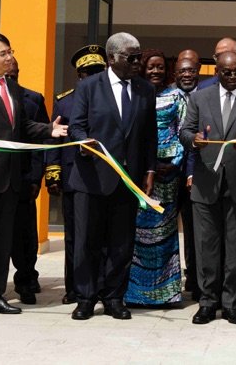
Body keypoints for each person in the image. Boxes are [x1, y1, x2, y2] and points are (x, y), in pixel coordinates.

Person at [0, 32, 68, 319]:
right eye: (3, 53)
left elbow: (22, 127)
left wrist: (49, 130)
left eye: (10, 52)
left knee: (2, 241)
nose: (9, 58)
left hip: (10, 179)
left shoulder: (12, 88)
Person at [66, 32, 158, 321]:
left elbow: (149, 136)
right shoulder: (89, 87)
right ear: (112, 58)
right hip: (92, 178)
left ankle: (114, 297)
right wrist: (84, 143)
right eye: (131, 57)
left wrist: (150, 170)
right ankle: (85, 298)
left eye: (138, 56)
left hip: (128, 180)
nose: (137, 62)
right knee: (87, 242)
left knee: (121, 243)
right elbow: (76, 127)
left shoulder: (145, 90)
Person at [180, 50, 236, 325]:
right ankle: (207, 302)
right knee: (206, 246)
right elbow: (185, 131)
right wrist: (193, 139)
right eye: (226, 72)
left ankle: (232, 303)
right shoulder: (199, 97)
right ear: (216, 71)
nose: (231, 77)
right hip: (206, 182)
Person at [44, 43, 107, 305]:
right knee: (74, 237)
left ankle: (102, 287)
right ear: (79, 75)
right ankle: (74, 287)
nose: (91, 77)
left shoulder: (111, 97)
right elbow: (55, 139)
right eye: (87, 72)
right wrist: (53, 171)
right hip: (73, 176)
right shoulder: (65, 100)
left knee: (103, 235)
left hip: (105, 176)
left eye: (97, 71)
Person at [126, 49, 184, 306]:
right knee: (138, 235)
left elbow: (185, 131)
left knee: (165, 233)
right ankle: (136, 293)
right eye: (151, 66)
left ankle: (166, 293)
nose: (155, 71)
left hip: (168, 175)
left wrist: (173, 162)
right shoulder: (135, 94)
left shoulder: (177, 96)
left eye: (160, 67)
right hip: (138, 174)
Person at [7, 56, 50, 306]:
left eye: (15, 75)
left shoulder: (33, 99)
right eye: (7, 76)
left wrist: (36, 177)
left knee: (25, 235)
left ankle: (26, 281)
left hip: (24, 178)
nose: (11, 79)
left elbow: (41, 142)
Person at [171, 52, 202, 298]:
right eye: (182, 71)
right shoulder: (164, 96)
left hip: (197, 173)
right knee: (167, 227)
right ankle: (169, 279)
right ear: (176, 74)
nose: (187, 75)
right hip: (168, 173)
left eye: (191, 71)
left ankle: (194, 277)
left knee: (194, 229)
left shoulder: (205, 97)